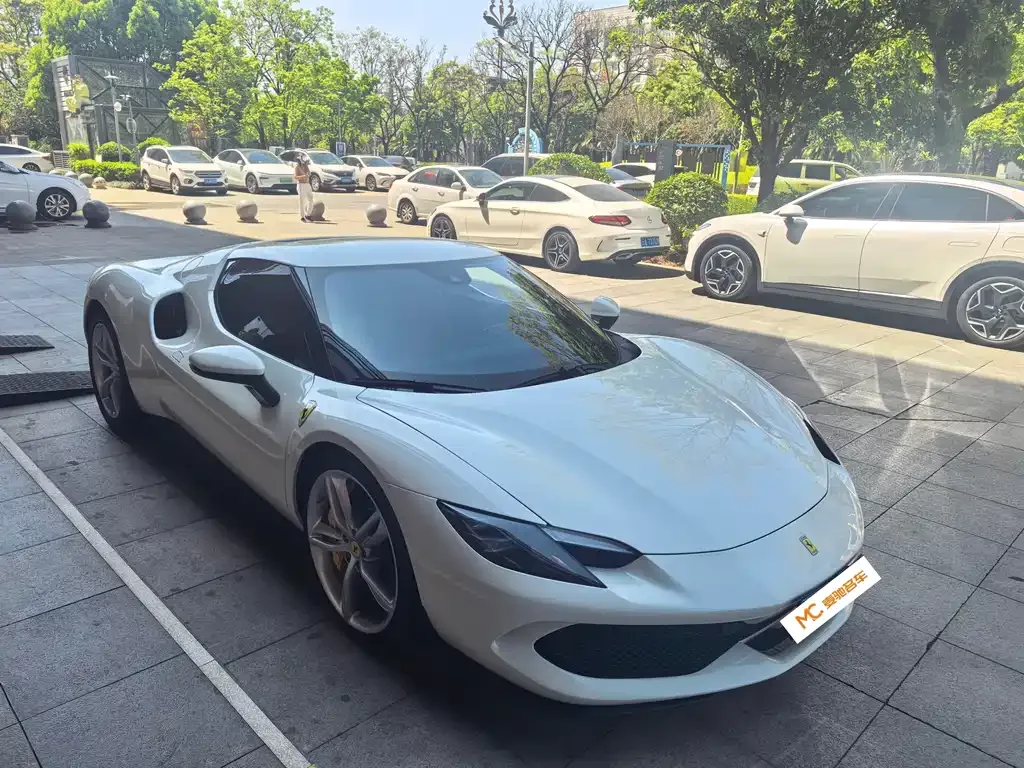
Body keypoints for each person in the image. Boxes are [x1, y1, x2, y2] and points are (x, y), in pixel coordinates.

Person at [294, 151, 314, 222]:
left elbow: (309, 173)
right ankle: (302, 217)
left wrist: (307, 173)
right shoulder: (297, 167)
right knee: (302, 201)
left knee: (311, 200)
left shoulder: (306, 166)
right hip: (301, 185)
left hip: (307, 184)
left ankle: (308, 215)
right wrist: (303, 176)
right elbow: (295, 177)